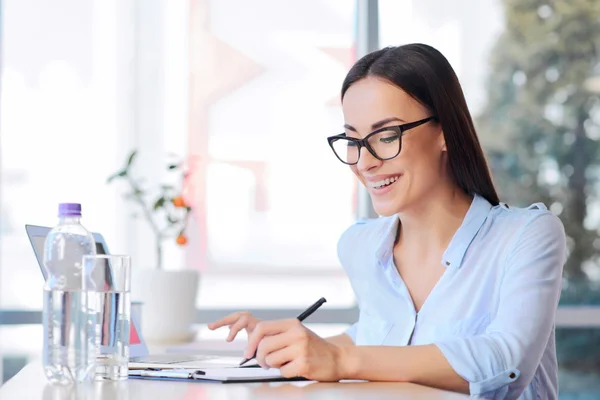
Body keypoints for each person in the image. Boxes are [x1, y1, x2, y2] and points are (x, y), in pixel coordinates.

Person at [208, 43, 566, 399]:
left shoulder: (526, 235)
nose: (365, 162)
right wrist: (284, 348)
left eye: (386, 135)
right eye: (352, 140)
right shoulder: (361, 246)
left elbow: (507, 362)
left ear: (444, 132)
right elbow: (374, 338)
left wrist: (339, 358)